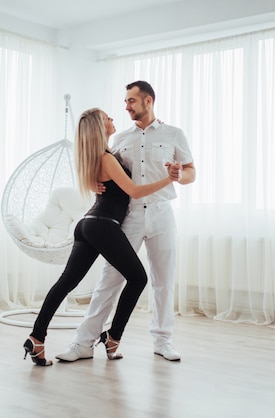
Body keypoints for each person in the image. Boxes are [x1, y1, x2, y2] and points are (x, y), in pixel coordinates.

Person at [23, 107, 177, 366]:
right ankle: (113, 337)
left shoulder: (95, 157)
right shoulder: (106, 159)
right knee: (138, 279)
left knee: (65, 282)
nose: (113, 119)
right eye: (108, 118)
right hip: (104, 225)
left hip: (87, 225)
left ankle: (37, 337)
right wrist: (167, 179)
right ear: (99, 128)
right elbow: (136, 191)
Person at [56, 80, 196, 362]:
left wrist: (180, 174)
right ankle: (83, 342)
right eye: (126, 101)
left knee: (163, 280)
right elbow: (103, 165)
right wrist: (95, 181)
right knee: (110, 279)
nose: (126, 106)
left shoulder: (174, 134)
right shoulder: (120, 139)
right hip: (129, 216)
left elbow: (192, 172)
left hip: (161, 213)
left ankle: (163, 340)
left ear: (148, 101)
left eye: (131, 101)